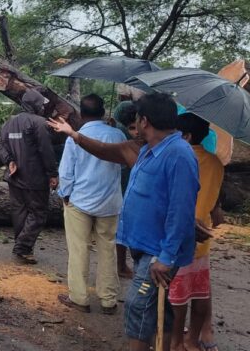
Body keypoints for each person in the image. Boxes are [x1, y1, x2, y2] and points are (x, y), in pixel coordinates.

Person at [49, 93, 199, 351]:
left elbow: (181, 208)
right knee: (156, 310)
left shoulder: (178, 154)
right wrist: (74, 135)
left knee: (138, 307)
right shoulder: (147, 149)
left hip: (157, 253)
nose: (135, 125)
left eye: (137, 120)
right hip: (145, 247)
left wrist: (166, 256)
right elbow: (105, 150)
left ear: (145, 121)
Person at [56, 94, 127, 314]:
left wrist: (64, 194)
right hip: (110, 202)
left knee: (79, 248)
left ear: (82, 115)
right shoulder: (118, 135)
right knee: (108, 249)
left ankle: (79, 297)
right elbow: (124, 166)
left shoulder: (76, 137)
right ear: (104, 112)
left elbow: (66, 172)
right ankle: (108, 300)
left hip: (80, 200)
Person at [169, 113, 224, 351]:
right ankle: (194, 338)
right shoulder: (215, 163)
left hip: (181, 237)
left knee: (179, 295)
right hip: (204, 239)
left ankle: (177, 341)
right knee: (200, 291)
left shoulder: (181, 159)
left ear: (186, 136)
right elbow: (214, 203)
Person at [0, 89, 58, 264]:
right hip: (35, 178)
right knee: (39, 213)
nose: (42, 107)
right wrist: (53, 174)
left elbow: (0, 146)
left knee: (20, 212)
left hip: (14, 176)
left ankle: (23, 248)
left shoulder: (9, 123)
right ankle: (23, 247)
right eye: (41, 104)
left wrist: (9, 161)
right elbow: (46, 151)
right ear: (35, 105)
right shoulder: (39, 123)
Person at [112, 101, 139, 279]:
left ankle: (124, 263)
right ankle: (123, 264)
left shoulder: (118, 133)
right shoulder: (126, 137)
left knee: (123, 229)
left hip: (123, 188)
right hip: (127, 187)